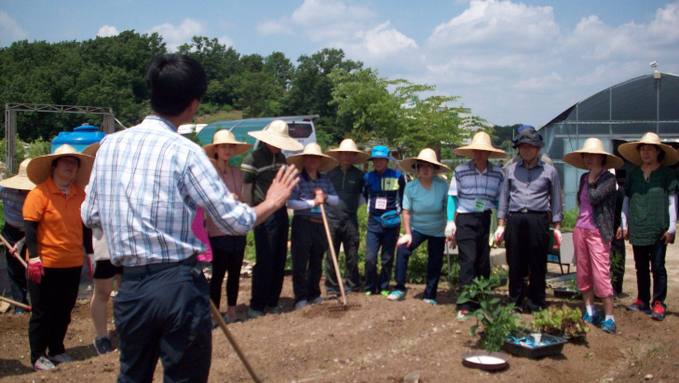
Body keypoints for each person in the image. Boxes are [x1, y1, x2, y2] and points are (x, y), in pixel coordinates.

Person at [81, 54, 299, 383]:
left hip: (130, 288)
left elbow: (90, 215)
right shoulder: (186, 152)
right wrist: (273, 201)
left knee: (132, 376)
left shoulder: (108, 145)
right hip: (176, 286)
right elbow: (234, 222)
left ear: (151, 91)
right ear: (193, 104)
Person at [24, 144, 95, 371]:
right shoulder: (39, 194)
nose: (70, 166)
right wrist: (33, 257)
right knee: (42, 311)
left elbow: (86, 228)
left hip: (72, 262)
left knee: (64, 310)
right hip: (45, 263)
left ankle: (56, 349)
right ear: (54, 166)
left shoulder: (80, 195)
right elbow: (30, 227)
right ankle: (37, 355)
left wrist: (91, 253)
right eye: (65, 161)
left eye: (74, 163)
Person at [495, 126, 563, 313]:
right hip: (515, 219)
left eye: (530, 146)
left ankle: (536, 303)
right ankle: (515, 302)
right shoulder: (510, 170)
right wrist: (501, 224)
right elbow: (504, 198)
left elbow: (556, 200)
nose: (526, 150)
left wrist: (557, 227)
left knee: (538, 263)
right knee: (515, 262)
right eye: (523, 146)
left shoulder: (549, 171)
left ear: (538, 148)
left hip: (538, 219)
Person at [241, 120, 303, 318]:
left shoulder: (282, 158)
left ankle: (272, 301)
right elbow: (246, 190)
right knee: (265, 258)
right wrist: (251, 214)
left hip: (281, 212)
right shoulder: (253, 159)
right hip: (263, 212)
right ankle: (257, 305)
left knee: (279, 258)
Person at [563, 138, 624, 334]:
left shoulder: (609, 179)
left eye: (592, 155)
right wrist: (589, 179)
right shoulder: (583, 178)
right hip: (581, 228)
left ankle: (609, 317)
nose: (588, 158)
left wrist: (592, 180)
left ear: (602, 158)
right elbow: (581, 203)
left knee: (601, 272)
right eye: (586, 155)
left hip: (598, 231)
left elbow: (595, 197)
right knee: (583, 271)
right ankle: (590, 310)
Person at [618, 132, 678, 322]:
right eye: (642, 149)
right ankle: (642, 300)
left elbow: (672, 202)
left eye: (649, 149)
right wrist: (624, 224)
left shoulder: (667, 174)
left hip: (659, 229)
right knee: (640, 267)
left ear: (658, 152)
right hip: (638, 227)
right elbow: (626, 200)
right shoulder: (634, 174)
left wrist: (672, 228)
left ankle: (658, 303)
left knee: (658, 267)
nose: (645, 152)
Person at [447, 132, 506, 319]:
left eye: (483, 151)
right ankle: (465, 303)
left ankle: (482, 299)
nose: (479, 154)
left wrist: (500, 224)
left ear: (489, 153)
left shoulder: (498, 173)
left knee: (482, 261)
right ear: (471, 152)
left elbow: (499, 201)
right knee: (468, 260)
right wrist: (450, 221)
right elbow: (453, 197)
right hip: (465, 219)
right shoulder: (461, 170)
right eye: (476, 151)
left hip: (485, 219)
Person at [388, 148, 450, 305]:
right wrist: (407, 233)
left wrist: (451, 226)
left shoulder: (442, 185)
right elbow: (406, 212)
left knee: (435, 262)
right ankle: (400, 289)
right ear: (416, 168)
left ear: (435, 168)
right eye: (422, 165)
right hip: (417, 229)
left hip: (438, 230)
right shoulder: (411, 187)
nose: (425, 169)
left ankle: (430, 295)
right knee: (402, 249)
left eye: (429, 166)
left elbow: (449, 207)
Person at [202, 129, 252, 323]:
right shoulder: (209, 171)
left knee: (235, 272)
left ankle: (232, 311)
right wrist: (226, 199)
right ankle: (214, 315)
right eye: (223, 146)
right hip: (217, 229)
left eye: (230, 146)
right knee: (218, 273)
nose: (227, 150)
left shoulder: (237, 172)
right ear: (216, 148)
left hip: (236, 228)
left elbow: (243, 197)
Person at [286, 143, 339, 309]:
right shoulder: (297, 179)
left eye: (316, 157)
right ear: (304, 159)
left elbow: (336, 200)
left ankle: (314, 293)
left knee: (317, 260)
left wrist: (325, 198)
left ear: (320, 160)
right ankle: (300, 297)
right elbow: (291, 202)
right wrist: (312, 202)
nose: (312, 160)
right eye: (309, 157)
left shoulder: (325, 179)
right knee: (300, 262)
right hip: (303, 223)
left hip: (320, 224)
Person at [81, 143, 122, 356]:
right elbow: (86, 220)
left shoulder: (125, 182)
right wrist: (89, 252)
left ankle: (124, 329)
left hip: (125, 243)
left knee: (126, 289)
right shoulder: (90, 188)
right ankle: (102, 336)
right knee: (103, 291)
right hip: (103, 244)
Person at [323, 139, 369, 297]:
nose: (347, 157)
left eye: (351, 154)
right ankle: (332, 288)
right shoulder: (330, 174)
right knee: (331, 255)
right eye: (345, 153)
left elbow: (363, 196)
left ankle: (352, 286)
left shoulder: (359, 175)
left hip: (350, 220)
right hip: (332, 219)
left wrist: (352, 207)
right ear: (339, 155)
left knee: (352, 254)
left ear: (354, 156)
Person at [363, 146, 406, 296]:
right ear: (373, 161)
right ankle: (369, 286)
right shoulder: (367, 178)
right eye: (376, 159)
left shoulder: (398, 176)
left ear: (387, 160)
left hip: (391, 223)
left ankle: (384, 286)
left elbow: (403, 197)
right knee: (370, 258)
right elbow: (366, 196)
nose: (379, 162)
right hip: (374, 223)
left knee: (387, 258)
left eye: (382, 159)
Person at [0, 158, 35, 314]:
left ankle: (39, 305)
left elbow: (40, 223)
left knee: (34, 269)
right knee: (15, 270)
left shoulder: (38, 195)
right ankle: (20, 307)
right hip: (11, 231)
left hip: (32, 233)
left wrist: (23, 242)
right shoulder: (5, 189)